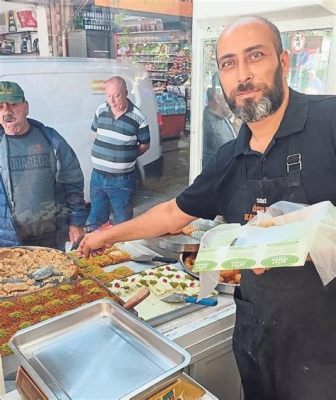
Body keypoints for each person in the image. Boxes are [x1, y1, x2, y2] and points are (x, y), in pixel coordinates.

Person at [79, 16, 336, 400]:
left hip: (326, 347)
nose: (243, 75)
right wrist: (106, 235)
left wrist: (307, 228)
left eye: (256, 56)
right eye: (229, 63)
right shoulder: (229, 158)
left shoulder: (328, 121)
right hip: (257, 337)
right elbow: (172, 214)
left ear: (284, 62)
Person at [0, 81, 87, 250]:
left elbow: (73, 183)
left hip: (50, 236)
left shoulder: (51, 141)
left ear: (26, 107)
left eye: (13, 104)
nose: (7, 111)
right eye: (1, 106)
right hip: (8, 240)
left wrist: (76, 222)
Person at [88, 76, 150, 229]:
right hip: (97, 176)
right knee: (96, 218)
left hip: (122, 180)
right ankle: (98, 250)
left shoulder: (138, 117)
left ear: (126, 93)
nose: (112, 101)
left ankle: (122, 250)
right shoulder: (101, 110)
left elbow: (145, 145)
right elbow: (95, 133)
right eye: (109, 96)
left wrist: (125, 157)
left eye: (116, 96)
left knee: (122, 222)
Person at [202, 87, 236, 166]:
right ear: (216, 98)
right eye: (228, 100)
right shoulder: (208, 123)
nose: (232, 105)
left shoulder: (223, 118)